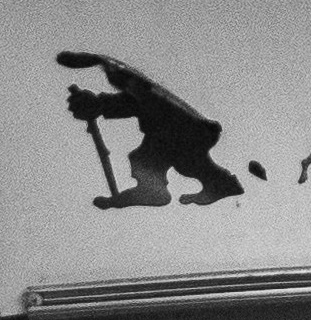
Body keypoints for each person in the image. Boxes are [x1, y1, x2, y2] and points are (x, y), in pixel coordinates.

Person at [58, 49, 247, 206]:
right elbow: (134, 102)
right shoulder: (138, 88)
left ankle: (155, 191)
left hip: (178, 131)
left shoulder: (139, 88)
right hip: (178, 131)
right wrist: (98, 104)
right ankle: (217, 185)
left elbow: (137, 103)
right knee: (182, 162)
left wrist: (99, 104)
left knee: (167, 161)